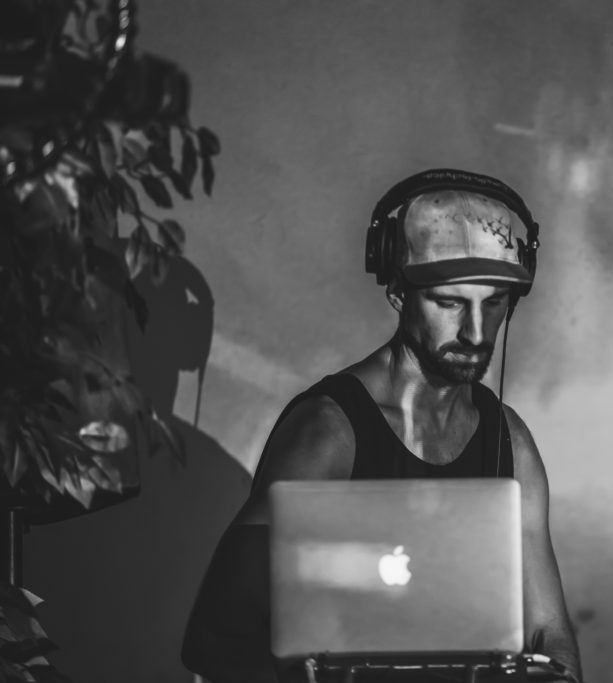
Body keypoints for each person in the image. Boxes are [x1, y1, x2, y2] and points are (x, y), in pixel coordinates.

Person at [181, 168, 582, 683]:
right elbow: (216, 639)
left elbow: (549, 630)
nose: (477, 333)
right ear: (397, 292)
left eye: (495, 303)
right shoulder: (329, 433)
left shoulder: (512, 444)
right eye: (451, 302)